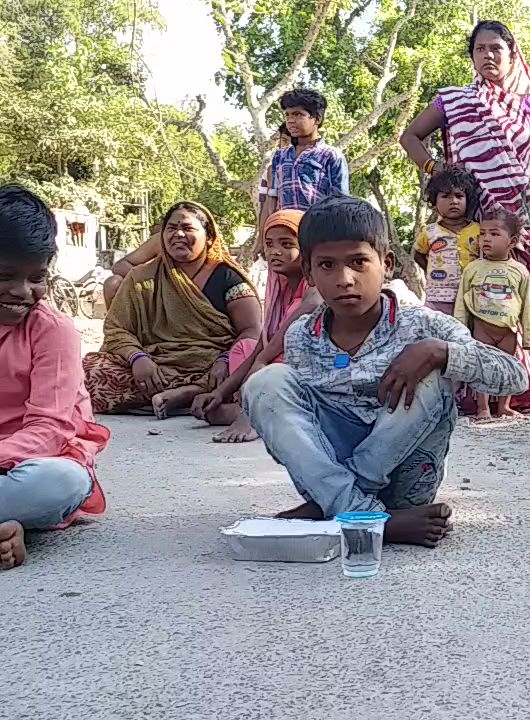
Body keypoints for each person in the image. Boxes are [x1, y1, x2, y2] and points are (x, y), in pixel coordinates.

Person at [241, 196, 528, 547]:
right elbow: (295, 429)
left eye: (359, 262)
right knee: (266, 383)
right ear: (310, 274)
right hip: (337, 481)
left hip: (406, 485)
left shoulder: (422, 325)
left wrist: (438, 351)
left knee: (432, 375)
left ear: (386, 264)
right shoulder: (302, 335)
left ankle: (339, 509)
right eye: (327, 265)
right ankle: (366, 517)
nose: (345, 279)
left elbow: (514, 375)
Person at [400, 20, 530, 417]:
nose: (488, 56)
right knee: (482, 303)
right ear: (472, 56)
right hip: (478, 223)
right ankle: (484, 392)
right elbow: (410, 137)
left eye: (496, 49)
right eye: (480, 49)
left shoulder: (529, 106)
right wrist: (439, 171)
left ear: (512, 55)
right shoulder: (452, 101)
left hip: (525, 219)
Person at [0, 185, 110, 570]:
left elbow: (50, 428)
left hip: (34, 463)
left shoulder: (53, 329)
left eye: (36, 278)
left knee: (62, 481)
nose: (22, 291)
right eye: (6, 276)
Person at [82, 202, 262, 417]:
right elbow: (116, 329)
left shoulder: (227, 278)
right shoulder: (142, 277)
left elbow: (252, 330)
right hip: (155, 363)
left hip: (211, 364)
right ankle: (185, 396)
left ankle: (189, 394)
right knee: (89, 370)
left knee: (247, 373)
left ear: (209, 237)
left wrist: (224, 361)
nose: (178, 234)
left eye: (187, 228)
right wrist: (138, 358)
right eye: (171, 228)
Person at [191, 210, 321, 443]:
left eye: (287, 244)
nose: (275, 251)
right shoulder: (277, 288)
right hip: (272, 367)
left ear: (307, 249)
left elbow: (274, 349)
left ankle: (254, 414)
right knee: (244, 348)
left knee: (273, 366)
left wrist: (259, 370)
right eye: (269, 244)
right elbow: (261, 347)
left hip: (303, 369)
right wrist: (221, 392)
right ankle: (260, 409)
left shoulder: (313, 289)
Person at [455, 209, 530, 421]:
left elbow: (527, 306)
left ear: (512, 241)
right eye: (482, 234)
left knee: (507, 368)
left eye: (494, 234)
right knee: (482, 368)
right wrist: (459, 330)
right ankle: (483, 407)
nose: (486, 239)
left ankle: (504, 406)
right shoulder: (473, 268)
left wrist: (529, 337)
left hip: (508, 331)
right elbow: (461, 302)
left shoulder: (520, 271)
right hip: (482, 329)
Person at [262, 88, 349, 218]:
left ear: (317, 119)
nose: (291, 120)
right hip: (285, 231)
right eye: (287, 115)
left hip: (316, 231)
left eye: (297, 114)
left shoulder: (330, 155)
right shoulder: (280, 156)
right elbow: (272, 198)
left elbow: (341, 203)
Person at [414, 165, 482, 315]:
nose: (454, 201)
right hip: (437, 299)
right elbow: (418, 254)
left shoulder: (478, 230)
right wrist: (432, 272)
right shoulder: (429, 232)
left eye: (459, 196)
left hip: (470, 298)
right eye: (446, 196)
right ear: (434, 201)